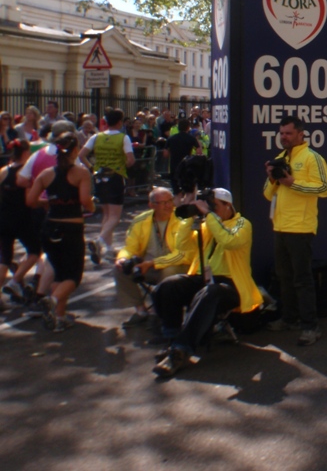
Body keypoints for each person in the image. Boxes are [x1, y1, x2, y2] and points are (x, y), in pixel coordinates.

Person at [151, 188, 263, 377]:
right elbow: (181, 245)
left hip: (231, 284)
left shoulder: (243, 224)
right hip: (203, 278)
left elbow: (229, 241)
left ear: (228, 206)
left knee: (210, 292)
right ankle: (172, 338)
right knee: (167, 286)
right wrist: (189, 216)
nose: (212, 210)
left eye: (215, 207)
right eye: (210, 207)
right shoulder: (208, 225)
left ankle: (180, 351)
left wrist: (209, 216)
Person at [264, 115, 327, 346]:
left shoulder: (313, 158)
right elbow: (266, 194)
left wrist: (292, 182)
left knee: (303, 279)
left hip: (301, 227)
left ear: (301, 134)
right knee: (284, 276)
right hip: (280, 225)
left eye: (288, 133)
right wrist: (273, 177)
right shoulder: (279, 158)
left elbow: (325, 188)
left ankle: (310, 326)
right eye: (281, 133)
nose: (284, 137)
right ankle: (289, 317)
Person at [26, 133, 95, 332]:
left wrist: (50, 202)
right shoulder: (81, 173)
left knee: (59, 275)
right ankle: (52, 301)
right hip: (71, 228)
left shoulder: (46, 174)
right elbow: (84, 201)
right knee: (73, 277)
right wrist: (92, 206)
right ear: (75, 150)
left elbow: (31, 201)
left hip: (49, 227)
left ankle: (59, 317)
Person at [112, 187, 191, 326]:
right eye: (163, 203)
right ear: (151, 205)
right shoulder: (140, 221)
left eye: (170, 201)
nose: (168, 206)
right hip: (147, 266)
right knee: (120, 269)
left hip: (176, 266)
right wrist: (122, 258)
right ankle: (141, 310)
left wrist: (153, 263)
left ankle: (157, 312)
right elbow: (130, 248)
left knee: (169, 273)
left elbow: (182, 255)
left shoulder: (182, 219)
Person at [80, 107, 136, 264]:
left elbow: (81, 155)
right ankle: (98, 241)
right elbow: (130, 160)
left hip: (99, 177)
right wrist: (121, 165)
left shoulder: (96, 137)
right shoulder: (123, 138)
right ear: (119, 122)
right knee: (115, 216)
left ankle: (108, 249)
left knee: (106, 214)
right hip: (115, 178)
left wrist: (92, 169)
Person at [0, 140, 41, 306]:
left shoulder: (3, 171)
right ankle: (15, 280)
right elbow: (30, 200)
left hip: (3, 218)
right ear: (26, 153)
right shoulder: (26, 174)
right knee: (35, 251)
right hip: (23, 218)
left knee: (5, 257)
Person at [166, 118, 201, 194]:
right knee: (187, 191)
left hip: (174, 166)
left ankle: (177, 203)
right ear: (188, 127)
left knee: (176, 191)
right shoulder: (191, 138)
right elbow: (199, 152)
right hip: (186, 166)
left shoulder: (171, 138)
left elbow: (165, 154)